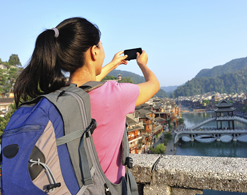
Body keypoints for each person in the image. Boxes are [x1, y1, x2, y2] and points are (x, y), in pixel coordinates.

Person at [14, 17, 160, 184]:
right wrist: (143, 64)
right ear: (94, 51)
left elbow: (85, 85)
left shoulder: (58, 94)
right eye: (101, 45)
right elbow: (154, 85)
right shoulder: (116, 95)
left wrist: (112, 64)